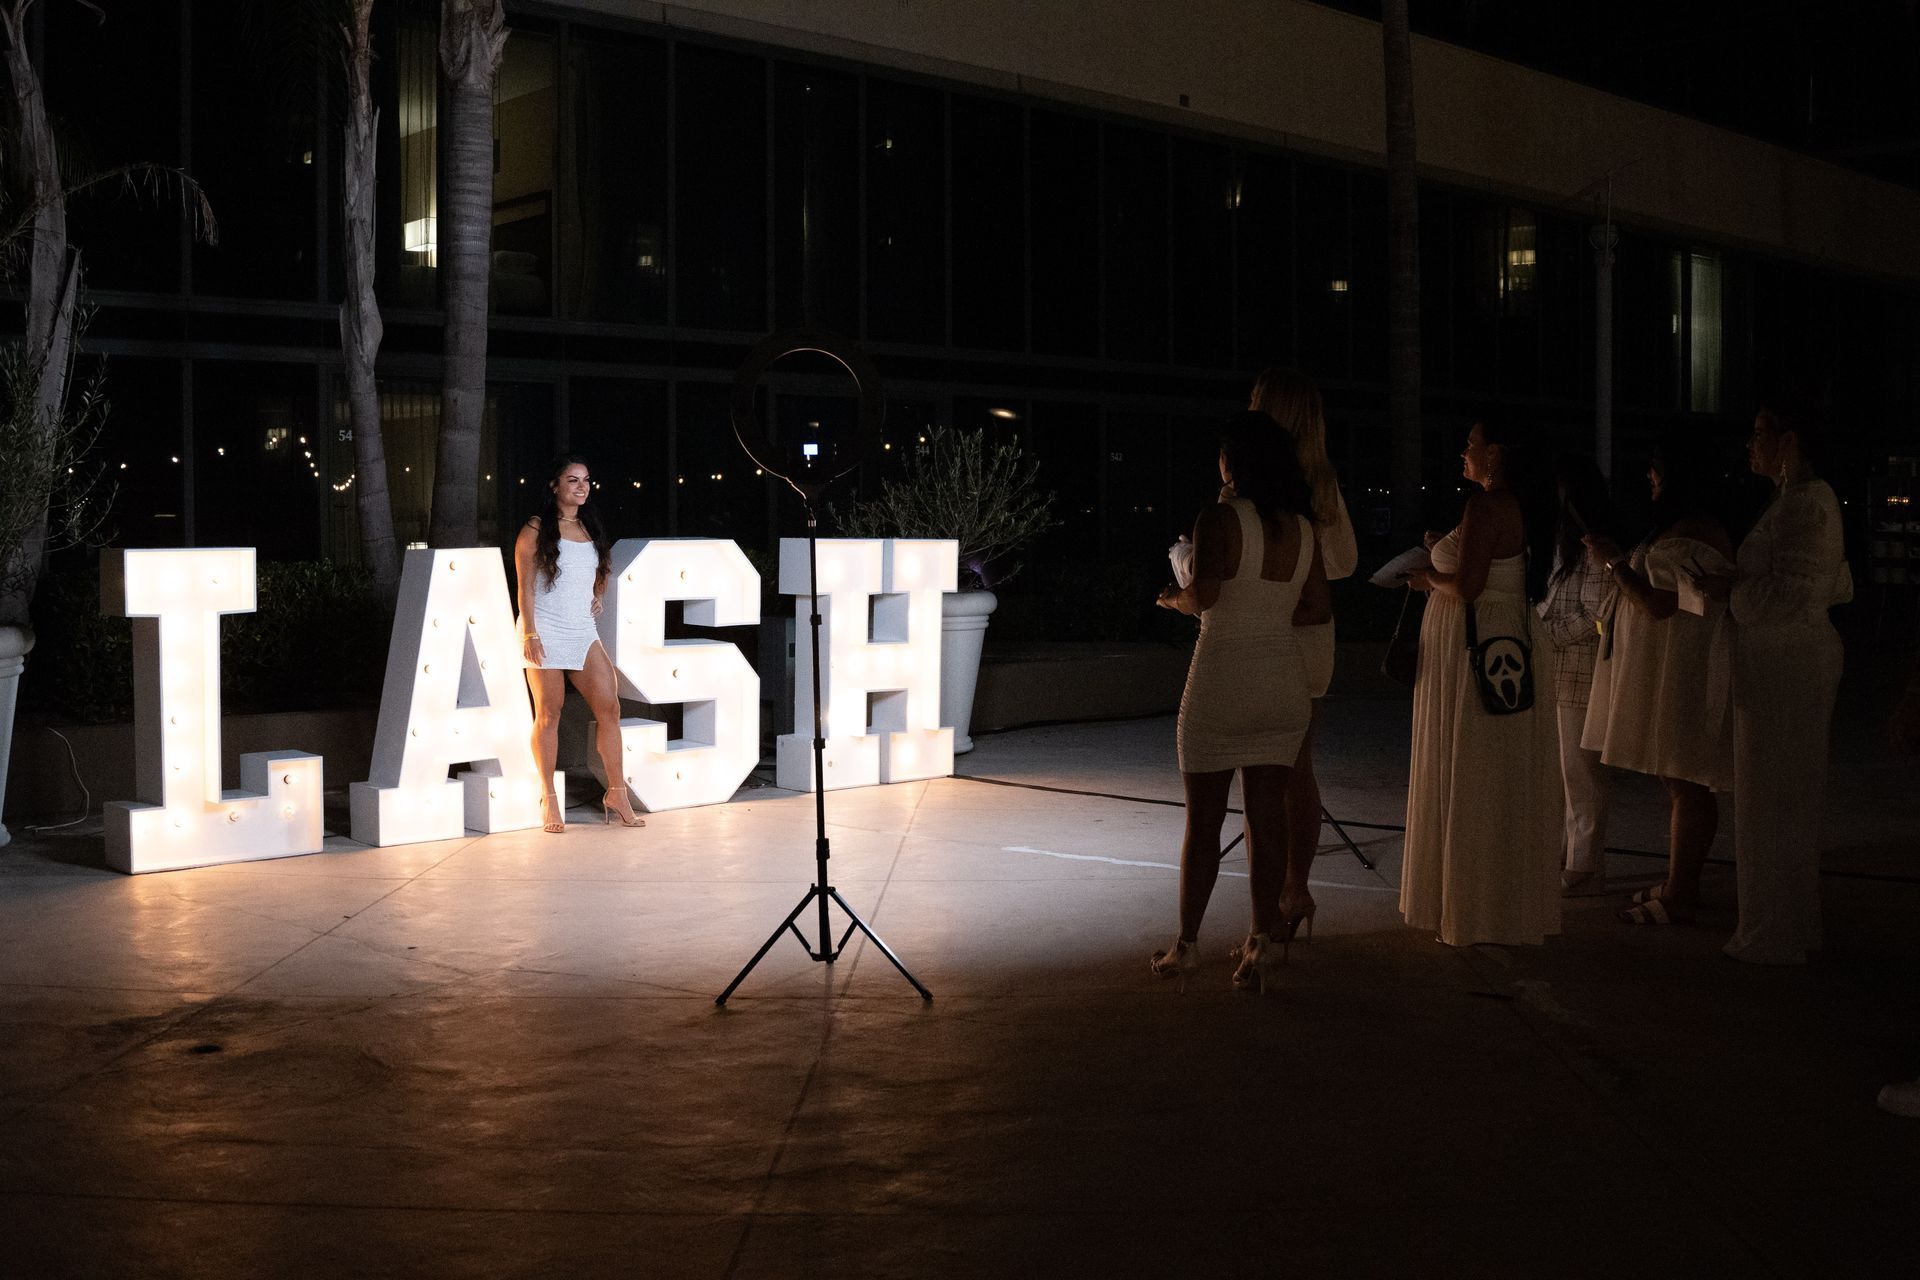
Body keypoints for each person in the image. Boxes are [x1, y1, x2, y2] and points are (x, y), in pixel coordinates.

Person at [1151, 411, 1331, 991]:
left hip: (1224, 679)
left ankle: (1187, 945)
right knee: (1266, 817)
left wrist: (1174, 599)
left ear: (1234, 463)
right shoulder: (1303, 529)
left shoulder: (1218, 519)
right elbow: (1317, 609)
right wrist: (1269, 615)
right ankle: (1260, 939)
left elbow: (1204, 596)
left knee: (1203, 823)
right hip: (1283, 682)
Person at [1401, 420, 1561, 947]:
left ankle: (1469, 906)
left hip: (1475, 647)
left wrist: (1427, 580)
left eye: (1469, 444)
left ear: (1494, 453)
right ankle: (1501, 903)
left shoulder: (1487, 506)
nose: (1461, 453)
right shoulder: (1521, 506)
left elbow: (1468, 587)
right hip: (1508, 637)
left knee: (1470, 770)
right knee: (1499, 776)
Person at [1714, 397, 1851, 964]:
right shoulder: (1790, 502)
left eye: (1761, 433)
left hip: (1789, 663)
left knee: (1779, 796)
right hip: (1777, 660)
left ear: (1789, 442)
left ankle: (1779, 930)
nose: (1751, 444)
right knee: (1769, 795)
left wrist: (1730, 593)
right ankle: (1775, 923)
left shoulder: (1807, 505)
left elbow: (1798, 591)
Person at [1580, 432, 1734, 925]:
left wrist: (1612, 562)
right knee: (1679, 779)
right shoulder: (1681, 527)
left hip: (1682, 671)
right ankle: (1676, 883)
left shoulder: (1696, 531)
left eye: (1657, 467)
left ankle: (1681, 892)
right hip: (1669, 666)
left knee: (1686, 778)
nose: (1649, 476)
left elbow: (1658, 602)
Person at [1249, 368, 1359, 927]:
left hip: (1274, 635)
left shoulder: (1257, 480)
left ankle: (1275, 904)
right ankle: (1294, 891)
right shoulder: (1321, 480)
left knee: (1266, 774)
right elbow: (1343, 564)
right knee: (1295, 769)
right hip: (1311, 639)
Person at [514, 454, 645, 834]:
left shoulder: (591, 525)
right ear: (555, 486)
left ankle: (617, 793)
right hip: (546, 629)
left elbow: (601, 566)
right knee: (549, 714)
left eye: (586, 480)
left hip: (582, 629)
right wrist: (529, 633)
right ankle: (549, 799)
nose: (582, 487)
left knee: (611, 708)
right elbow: (524, 586)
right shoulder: (536, 528)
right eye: (573, 480)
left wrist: (598, 594)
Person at [1539, 454, 1616, 895]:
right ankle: (1567, 854)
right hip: (1557, 670)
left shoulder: (1594, 547)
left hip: (1580, 672)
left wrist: (1542, 635)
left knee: (1579, 771)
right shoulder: (1563, 548)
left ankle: (1585, 862)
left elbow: (1593, 614)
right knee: (1560, 770)